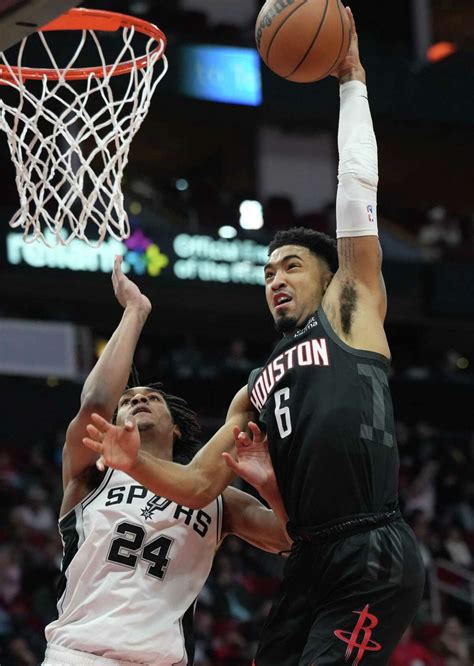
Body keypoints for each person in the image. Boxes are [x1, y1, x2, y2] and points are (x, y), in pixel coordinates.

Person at [84, 8, 425, 665]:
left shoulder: (350, 310)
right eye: (267, 271)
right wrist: (133, 463)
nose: (275, 279)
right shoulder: (255, 391)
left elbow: (357, 187)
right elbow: (193, 486)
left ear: (329, 277)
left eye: (291, 266)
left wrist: (351, 80)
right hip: (314, 558)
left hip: (371, 547)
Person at [42, 256, 290, 666]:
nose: (139, 399)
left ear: (175, 428)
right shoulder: (94, 474)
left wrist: (270, 488)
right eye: (129, 401)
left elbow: (287, 539)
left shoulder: (217, 496)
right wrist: (135, 312)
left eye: (152, 399)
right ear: (116, 422)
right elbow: (94, 403)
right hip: (79, 654)